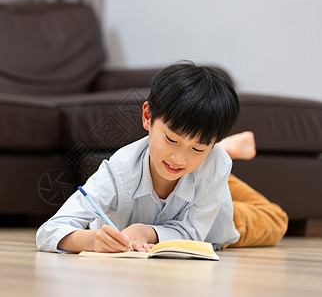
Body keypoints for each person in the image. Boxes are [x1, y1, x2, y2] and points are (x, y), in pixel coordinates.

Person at [36, 61, 287, 253]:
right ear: (147, 116)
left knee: (276, 220)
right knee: (198, 164)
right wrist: (91, 240)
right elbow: (49, 230)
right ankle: (220, 148)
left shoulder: (213, 167)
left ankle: (222, 153)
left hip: (211, 207)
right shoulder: (119, 171)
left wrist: (146, 232)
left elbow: (193, 235)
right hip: (195, 173)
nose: (178, 157)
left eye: (198, 146)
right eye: (171, 139)